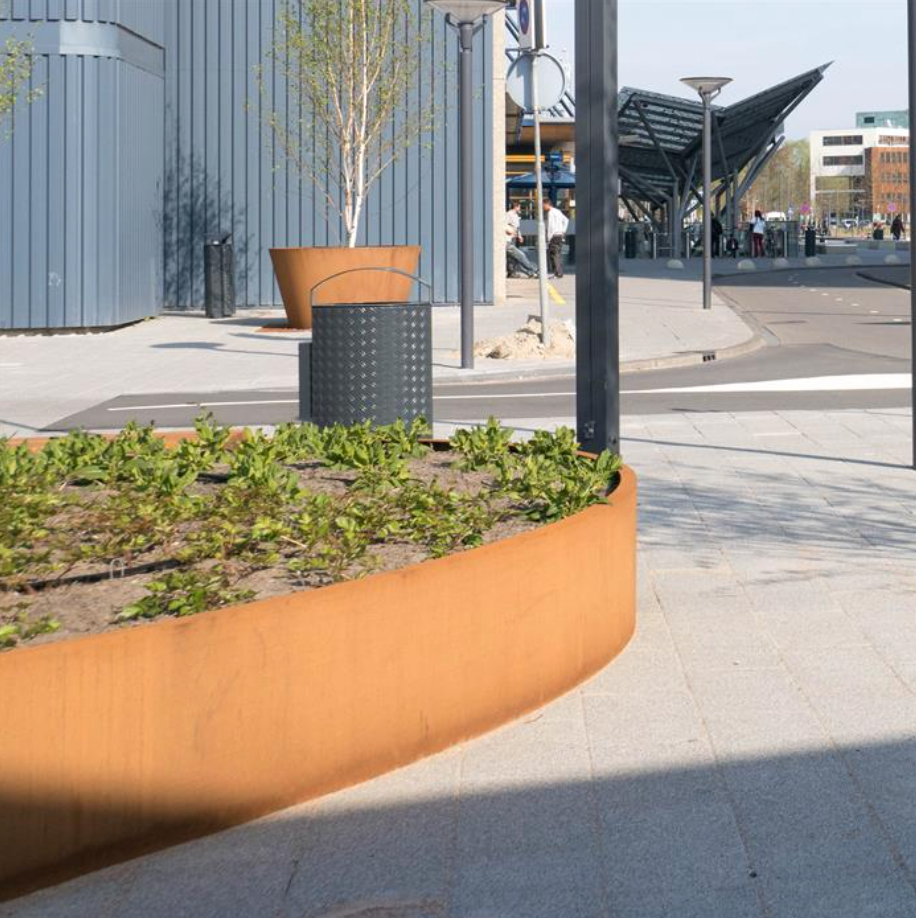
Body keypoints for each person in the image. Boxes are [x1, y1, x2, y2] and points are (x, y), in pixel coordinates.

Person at [504, 201, 538, 278]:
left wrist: (519, 236)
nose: (520, 209)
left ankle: (511, 273)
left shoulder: (516, 215)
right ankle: (532, 270)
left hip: (512, 239)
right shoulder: (508, 214)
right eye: (519, 207)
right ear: (516, 207)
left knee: (512, 258)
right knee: (520, 256)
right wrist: (509, 230)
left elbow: (517, 227)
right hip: (507, 240)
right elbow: (503, 224)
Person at [543, 200, 569, 278]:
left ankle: (558, 273)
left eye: (543, 205)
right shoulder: (558, 211)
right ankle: (559, 272)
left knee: (554, 255)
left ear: (547, 204)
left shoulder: (550, 212)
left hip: (554, 236)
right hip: (560, 235)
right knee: (558, 254)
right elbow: (566, 220)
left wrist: (548, 238)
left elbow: (550, 227)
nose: (543, 207)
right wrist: (563, 231)